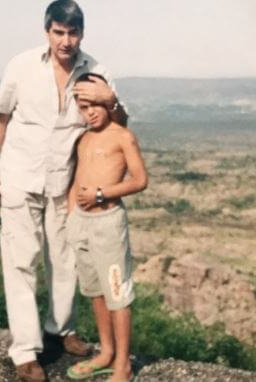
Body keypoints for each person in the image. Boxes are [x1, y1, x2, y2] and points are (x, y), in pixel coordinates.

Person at [0, 1, 128, 381]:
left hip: (65, 182)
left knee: (65, 261)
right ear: (47, 31)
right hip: (19, 177)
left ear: (82, 32)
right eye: (59, 32)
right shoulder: (22, 65)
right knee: (21, 263)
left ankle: (61, 330)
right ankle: (26, 352)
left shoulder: (97, 72)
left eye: (73, 32)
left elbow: (120, 125)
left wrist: (110, 101)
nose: (66, 41)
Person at [66, 73, 147, 382]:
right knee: (95, 291)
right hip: (82, 225)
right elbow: (77, 179)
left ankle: (123, 365)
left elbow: (140, 180)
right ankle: (106, 352)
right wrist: (72, 215)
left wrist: (101, 194)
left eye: (97, 104)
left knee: (117, 294)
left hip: (108, 224)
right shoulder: (84, 138)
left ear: (107, 100)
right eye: (84, 107)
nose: (92, 112)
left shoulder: (122, 136)